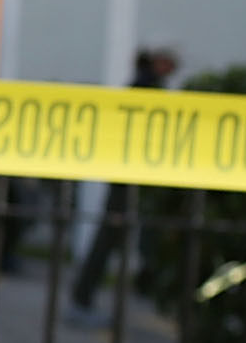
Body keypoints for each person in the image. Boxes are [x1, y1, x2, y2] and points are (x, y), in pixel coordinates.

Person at [69, 45, 180, 323]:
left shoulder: (142, 86)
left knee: (116, 239)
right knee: (109, 239)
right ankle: (82, 298)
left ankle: (87, 296)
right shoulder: (146, 89)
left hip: (128, 179)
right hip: (128, 181)